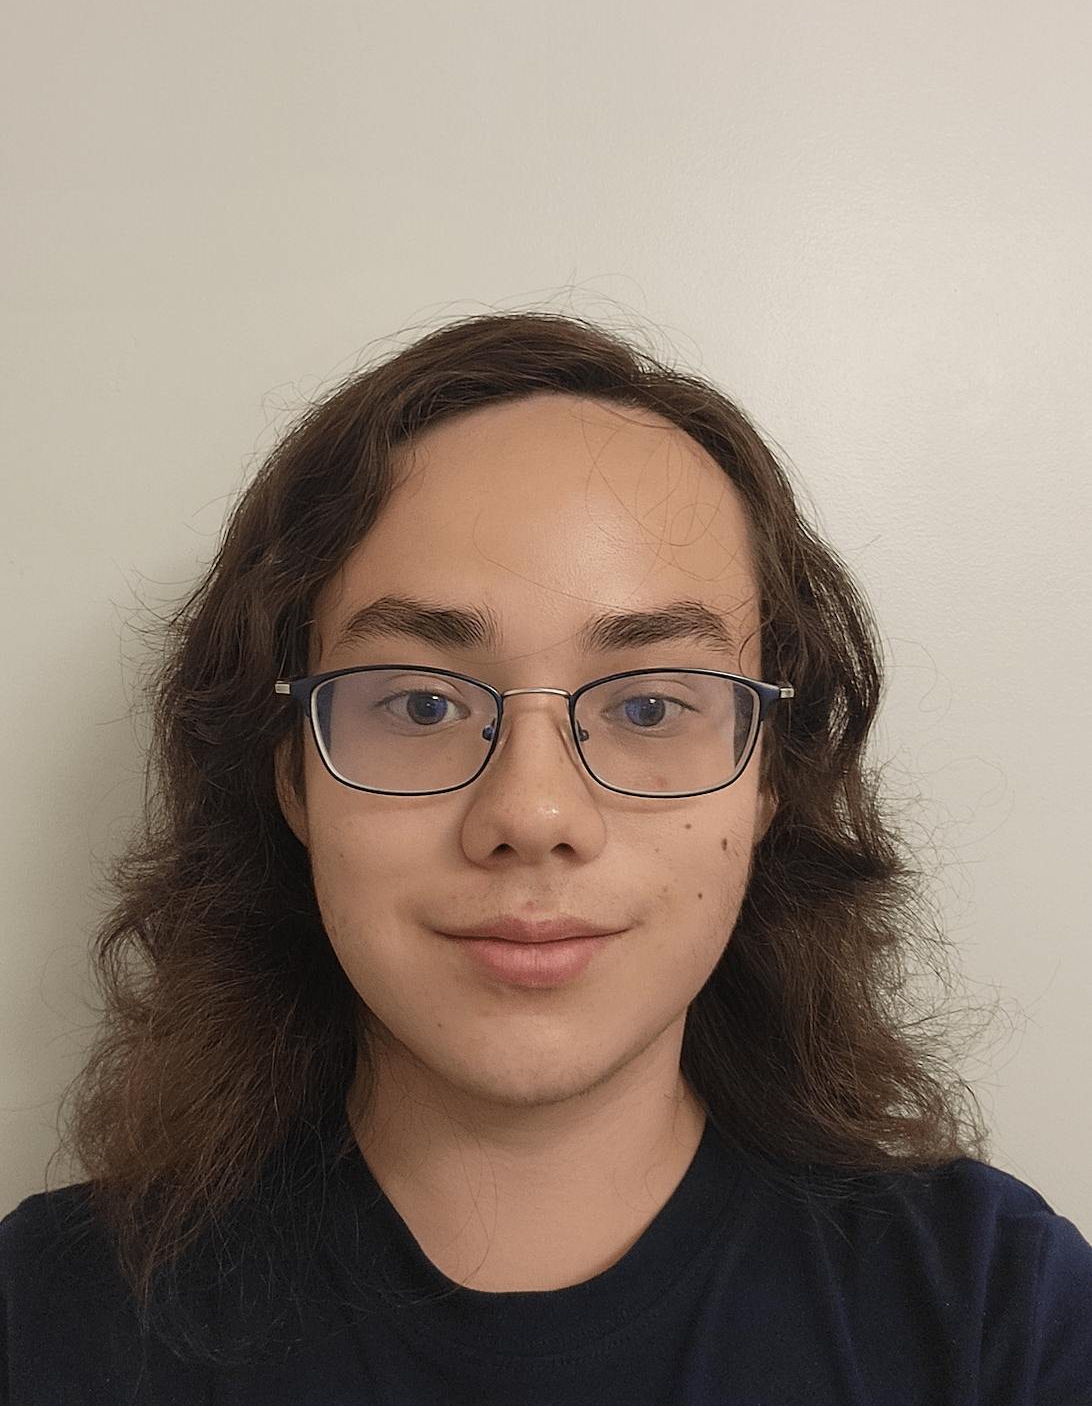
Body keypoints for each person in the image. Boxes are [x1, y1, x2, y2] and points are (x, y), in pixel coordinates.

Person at [1, 313, 1089, 1404]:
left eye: (652, 703)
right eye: (421, 701)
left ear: (768, 780)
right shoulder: (49, 1321)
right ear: (291, 776)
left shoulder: (996, 1315)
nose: (531, 810)